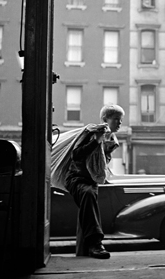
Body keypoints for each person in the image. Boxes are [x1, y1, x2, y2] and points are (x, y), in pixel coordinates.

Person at [64, 104, 124, 259]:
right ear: (105, 119)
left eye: (120, 120)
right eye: (116, 119)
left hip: (91, 181)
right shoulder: (91, 133)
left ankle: (90, 245)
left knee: (90, 193)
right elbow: (76, 155)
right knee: (88, 194)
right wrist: (95, 141)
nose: (119, 123)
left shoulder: (111, 139)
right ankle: (95, 244)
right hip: (76, 178)